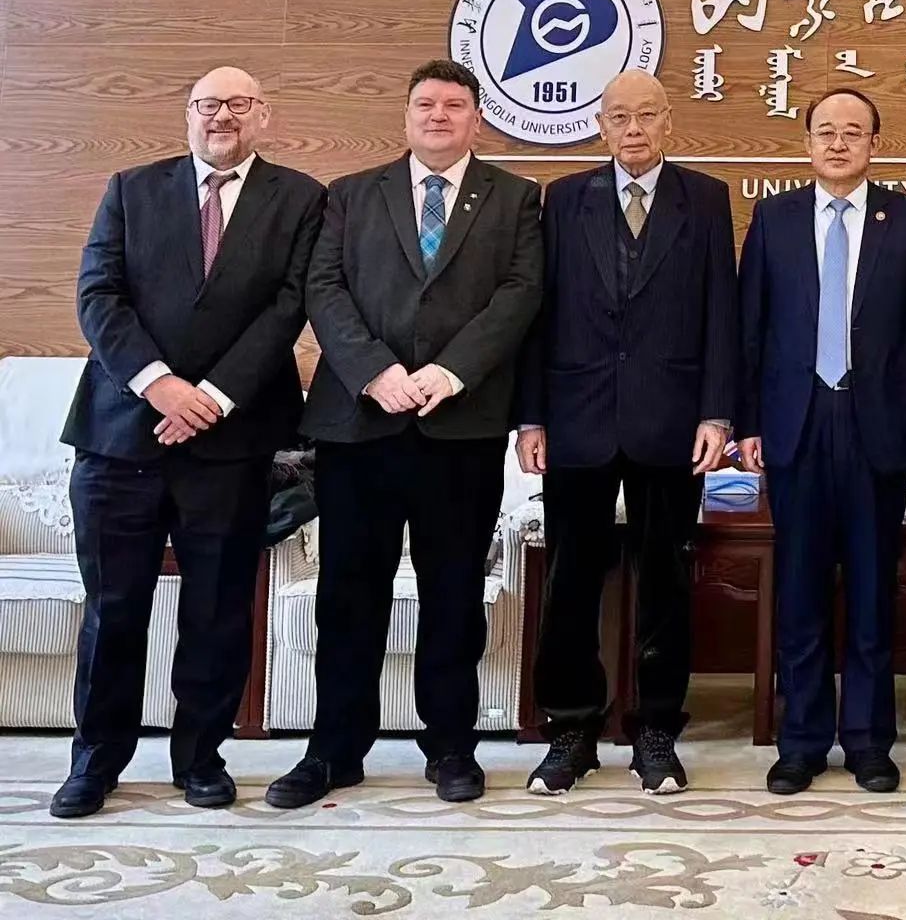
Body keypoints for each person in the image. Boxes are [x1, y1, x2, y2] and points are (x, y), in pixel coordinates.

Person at [265, 59, 542, 809]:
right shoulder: (351, 195)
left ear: (477, 120)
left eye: (454, 105)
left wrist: (450, 373)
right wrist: (375, 372)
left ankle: (450, 746)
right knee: (349, 595)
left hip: (461, 426)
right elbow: (324, 288)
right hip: (361, 425)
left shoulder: (516, 199)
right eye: (426, 103)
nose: (438, 116)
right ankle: (334, 750)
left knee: (454, 594)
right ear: (407, 114)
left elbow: (520, 294)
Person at [53, 69, 325, 818]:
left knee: (217, 611)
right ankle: (94, 763)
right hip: (120, 438)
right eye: (207, 104)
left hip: (232, 443)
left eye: (238, 104)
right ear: (188, 115)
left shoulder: (301, 198)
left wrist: (211, 398)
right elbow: (98, 296)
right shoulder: (131, 188)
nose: (221, 116)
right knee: (113, 611)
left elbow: (289, 307)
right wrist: (161, 386)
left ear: (263, 115)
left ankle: (200, 758)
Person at [516, 72, 739, 796]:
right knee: (571, 579)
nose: (633, 128)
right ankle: (571, 729)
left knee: (666, 579)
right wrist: (531, 415)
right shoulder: (563, 198)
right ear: (600, 125)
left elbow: (722, 311)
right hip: (576, 416)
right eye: (619, 117)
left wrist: (717, 413)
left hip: (672, 417)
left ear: (669, 122)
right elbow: (538, 313)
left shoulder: (705, 199)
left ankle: (656, 730)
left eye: (647, 115)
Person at [738, 88, 906, 797]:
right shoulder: (773, 219)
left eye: (852, 132)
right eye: (825, 131)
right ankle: (800, 742)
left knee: (870, 590)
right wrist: (748, 424)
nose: (838, 143)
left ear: (874, 144)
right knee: (798, 592)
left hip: (876, 426)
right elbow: (751, 330)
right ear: (806, 143)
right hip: (795, 423)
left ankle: (867, 741)